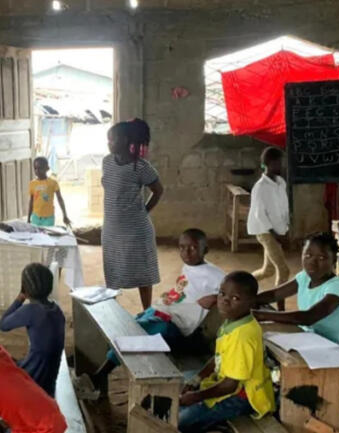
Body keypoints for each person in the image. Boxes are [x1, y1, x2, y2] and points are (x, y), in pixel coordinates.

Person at [90, 229, 225, 391]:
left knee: (138, 334)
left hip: (176, 326)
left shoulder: (216, 275)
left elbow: (236, 293)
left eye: (193, 248)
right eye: (182, 247)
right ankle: (97, 363)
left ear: (206, 250)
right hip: (161, 312)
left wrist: (216, 298)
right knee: (126, 326)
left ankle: (102, 374)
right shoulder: (189, 266)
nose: (186, 253)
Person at [178, 271, 276, 432]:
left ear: (251, 302)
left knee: (180, 420)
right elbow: (219, 358)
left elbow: (230, 386)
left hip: (241, 397)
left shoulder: (243, 336)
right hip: (223, 380)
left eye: (235, 298)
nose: (224, 301)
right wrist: (196, 380)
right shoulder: (233, 321)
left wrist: (196, 396)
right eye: (222, 294)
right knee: (180, 382)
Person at [253, 232, 339, 351]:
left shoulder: (338, 286)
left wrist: (260, 315)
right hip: (311, 340)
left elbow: (308, 317)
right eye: (308, 255)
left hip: (337, 350)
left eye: (321, 258)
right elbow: (274, 295)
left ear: (334, 261)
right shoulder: (304, 277)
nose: (312, 262)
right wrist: (248, 301)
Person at [101, 119, 164, 309]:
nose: (109, 144)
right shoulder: (107, 162)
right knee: (112, 269)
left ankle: (147, 311)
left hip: (136, 230)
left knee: (142, 273)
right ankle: (112, 311)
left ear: (126, 140)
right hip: (111, 228)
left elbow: (158, 190)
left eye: (112, 140)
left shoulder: (140, 167)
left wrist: (144, 210)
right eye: (108, 140)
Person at [0, 263, 65, 397]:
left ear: (25, 288)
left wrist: (20, 298)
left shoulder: (31, 310)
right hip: (51, 374)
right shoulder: (57, 310)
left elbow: (3, 324)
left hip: (34, 373)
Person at [247, 146, 290, 310]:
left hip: (278, 230)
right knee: (283, 270)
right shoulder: (261, 187)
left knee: (268, 271)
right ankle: (281, 309)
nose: (281, 166)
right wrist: (276, 236)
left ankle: (243, 283)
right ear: (268, 164)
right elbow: (260, 215)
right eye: (278, 162)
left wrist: (285, 228)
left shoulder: (280, 183)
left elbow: (284, 208)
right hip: (265, 232)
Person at [28, 156, 70, 227]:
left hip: (48, 218)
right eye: (35, 168)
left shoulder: (53, 183)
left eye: (40, 168)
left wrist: (65, 215)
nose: (37, 171)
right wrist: (29, 218)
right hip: (35, 217)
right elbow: (31, 202)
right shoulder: (32, 184)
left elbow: (60, 199)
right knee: (36, 236)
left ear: (47, 169)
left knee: (47, 237)